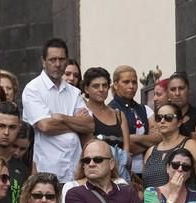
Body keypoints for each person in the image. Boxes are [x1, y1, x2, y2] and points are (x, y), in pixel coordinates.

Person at [22, 38, 94, 183]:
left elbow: (90, 125)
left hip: (75, 171)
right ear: (43, 61)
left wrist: (61, 118)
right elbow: (45, 126)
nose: (57, 64)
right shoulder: (33, 89)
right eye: (52, 59)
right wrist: (76, 124)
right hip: (47, 172)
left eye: (61, 59)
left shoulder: (74, 92)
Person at [142, 103, 196, 202]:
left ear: (179, 122)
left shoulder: (192, 146)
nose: (162, 121)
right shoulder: (150, 152)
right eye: (158, 118)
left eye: (168, 117)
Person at [109, 65, 160, 177]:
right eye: (126, 82)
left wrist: (134, 138)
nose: (131, 86)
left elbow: (159, 138)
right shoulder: (110, 111)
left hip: (147, 171)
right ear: (116, 85)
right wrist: (148, 143)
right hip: (122, 172)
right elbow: (122, 145)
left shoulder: (145, 109)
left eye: (134, 82)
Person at [82, 67, 131, 176]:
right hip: (93, 172)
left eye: (105, 85)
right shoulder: (83, 113)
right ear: (86, 89)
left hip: (120, 173)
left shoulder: (119, 115)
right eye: (96, 86)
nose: (101, 89)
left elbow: (126, 149)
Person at [168, 72, 196, 153]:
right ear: (168, 94)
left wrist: (171, 141)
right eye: (173, 89)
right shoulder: (162, 116)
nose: (177, 93)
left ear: (189, 91)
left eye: (181, 88)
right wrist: (191, 139)